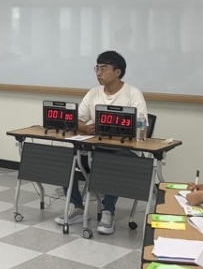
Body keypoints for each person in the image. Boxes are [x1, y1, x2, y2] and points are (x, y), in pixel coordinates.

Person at [55, 50, 147, 235]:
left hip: (122, 151)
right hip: (94, 148)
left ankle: (108, 211)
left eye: (103, 69)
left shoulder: (133, 93)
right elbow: (75, 120)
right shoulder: (93, 93)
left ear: (117, 72)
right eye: (96, 68)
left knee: (110, 161)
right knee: (65, 158)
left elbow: (141, 125)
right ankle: (77, 207)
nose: (98, 73)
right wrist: (84, 128)